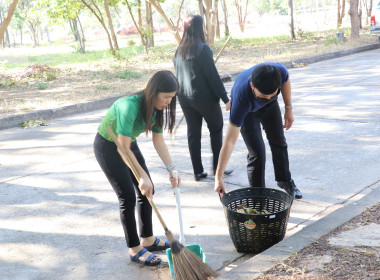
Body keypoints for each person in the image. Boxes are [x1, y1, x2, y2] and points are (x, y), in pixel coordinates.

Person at [93, 70, 181, 267]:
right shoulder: (128, 106)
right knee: (128, 197)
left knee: (148, 191)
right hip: (108, 146)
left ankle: (147, 239)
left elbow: (158, 141)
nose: (169, 101)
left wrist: (171, 168)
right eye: (166, 97)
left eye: (172, 98)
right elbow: (121, 148)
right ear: (154, 91)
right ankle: (134, 248)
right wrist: (142, 176)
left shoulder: (157, 108)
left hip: (127, 144)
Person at [214, 63, 303, 199]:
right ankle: (258, 194)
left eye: (272, 95)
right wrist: (218, 176)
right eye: (263, 96)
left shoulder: (280, 72)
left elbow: (286, 81)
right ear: (252, 86)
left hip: (271, 108)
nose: (266, 99)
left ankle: (284, 181)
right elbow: (230, 141)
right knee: (257, 153)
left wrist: (288, 109)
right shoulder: (240, 99)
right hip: (248, 111)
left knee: (279, 141)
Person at [173, 14, 233, 181]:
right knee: (216, 130)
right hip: (205, 99)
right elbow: (212, 76)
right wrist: (225, 98)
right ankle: (218, 168)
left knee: (193, 134)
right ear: (200, 28)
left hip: (185, 98)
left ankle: (197, 171)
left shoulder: (179, 50)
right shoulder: (202, 48)